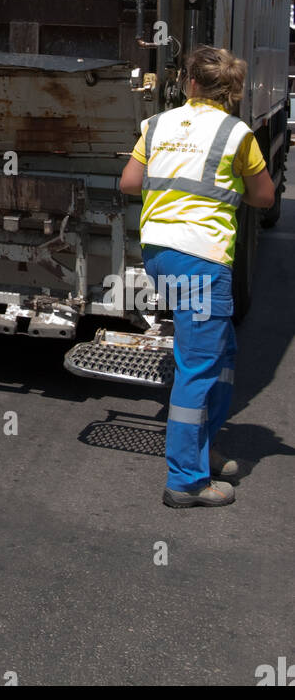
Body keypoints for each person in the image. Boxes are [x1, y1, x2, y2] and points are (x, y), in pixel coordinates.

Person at [118, 46, 276, 508]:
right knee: (199, 365)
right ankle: (186, 480)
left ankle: (205, 451)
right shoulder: (237, 134)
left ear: (189, 83)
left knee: (221, 349)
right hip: (202, 260)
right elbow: (264, 198)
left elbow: (130, 182)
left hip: (161, 252)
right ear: (229, 90)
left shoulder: (158, 124)